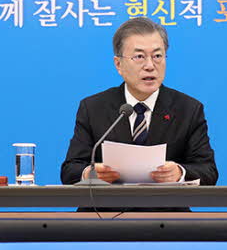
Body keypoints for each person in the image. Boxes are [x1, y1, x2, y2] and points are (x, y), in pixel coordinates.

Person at [61, 17, 217, 185]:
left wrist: (180, 172)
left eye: (157, 55)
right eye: (139, 57)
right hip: (104, 209)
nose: (150, 65)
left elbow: (208, 171)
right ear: (118, 64)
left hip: (166, 210)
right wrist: (90, 173)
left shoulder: (188, 109)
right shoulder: (93, 108)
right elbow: (70, 171)